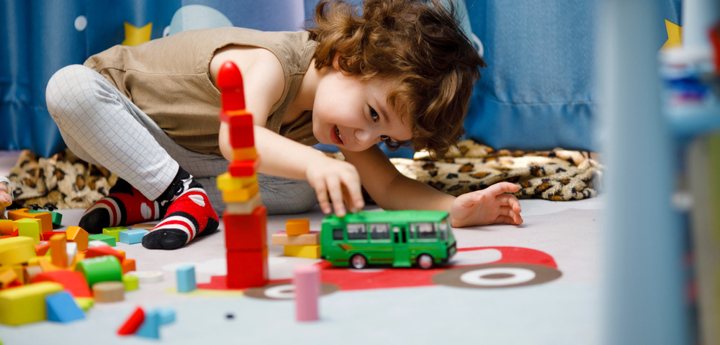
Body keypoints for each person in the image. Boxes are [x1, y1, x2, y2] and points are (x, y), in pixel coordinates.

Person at [45, 0, 523, 250]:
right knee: (69, 88)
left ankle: (154, 197)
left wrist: (454, 210)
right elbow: (238, 138)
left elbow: (389, 187)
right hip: (119, 121)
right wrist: (316, 165)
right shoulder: (272, 62)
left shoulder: (342, 116)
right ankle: (176, 194)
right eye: (373, 116)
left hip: (181, 161)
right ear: (347, 58)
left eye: (384, 138)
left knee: (301, 191)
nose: (364, 139)